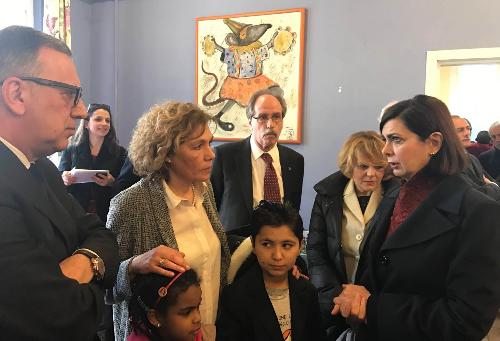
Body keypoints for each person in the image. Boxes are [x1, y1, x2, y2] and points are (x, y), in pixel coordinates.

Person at [332, 95, 500, 341]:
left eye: (396, 139)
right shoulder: (395, 196)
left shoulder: (478, 212)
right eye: (384, 139)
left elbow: (465, 320)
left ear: (433, 142)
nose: (385, 150)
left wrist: (373, 308)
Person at [0, 25, 119, 340]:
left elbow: (102, 236)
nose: (81, 111)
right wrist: (96, 272)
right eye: (70, 94)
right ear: (16, 94)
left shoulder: (43, 170)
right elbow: (58, 314)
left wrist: (83, 262)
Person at [107, 101, 230, 341]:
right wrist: (132, 266)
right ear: (167, 153)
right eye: (198, 146)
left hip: (206, 329)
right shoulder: (132, 204)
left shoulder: (205, 191)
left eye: (210, 142)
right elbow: (106, 286)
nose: (211, 154)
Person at [307, 131, 399, 339]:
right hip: (334, 299)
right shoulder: (327, 195)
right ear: (350, 165)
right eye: (363, 166)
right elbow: (316, 250)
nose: (371, 174)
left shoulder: (397, 197)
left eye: (378, 167)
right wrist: (336, 295)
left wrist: (369, 301)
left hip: (375, 300)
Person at [216, 200, 326, 341]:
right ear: (253, 244)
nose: (277, 256)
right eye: (267, 244)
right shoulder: (235, 296)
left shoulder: (307, 292)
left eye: (287, 245)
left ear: (300, 246)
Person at [211, 89, 304, 241]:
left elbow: (293, 211)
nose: (270, 124)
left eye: (276, 117)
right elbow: (211, 209)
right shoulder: (224, 156)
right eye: (262, 117)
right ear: (250, 122)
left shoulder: (295, 160)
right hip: (236, 247)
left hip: (278, 247)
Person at [59, 103, 127, 222]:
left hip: (107, 212)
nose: (104, 123)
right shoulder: (71, 149)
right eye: (98, 119)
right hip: (76, 211)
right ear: (86, 124)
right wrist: (64, 178)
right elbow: (58, 177)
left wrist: (112, 182)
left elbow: (126, 185)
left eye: (107, 120)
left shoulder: (120, 153)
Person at [128, 269, 203, 341]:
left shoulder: (192, 333)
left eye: (198, 307)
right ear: (155, 318)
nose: (198, 318)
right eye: (187, 312)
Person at [451, 115, 500, 200]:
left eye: (468, 128)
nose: (467, 133)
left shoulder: (472, 158)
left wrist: (492, 186)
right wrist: (493, 186)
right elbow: (474, 196)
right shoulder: (448, 162)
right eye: (460, 130)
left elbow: (491, 182)